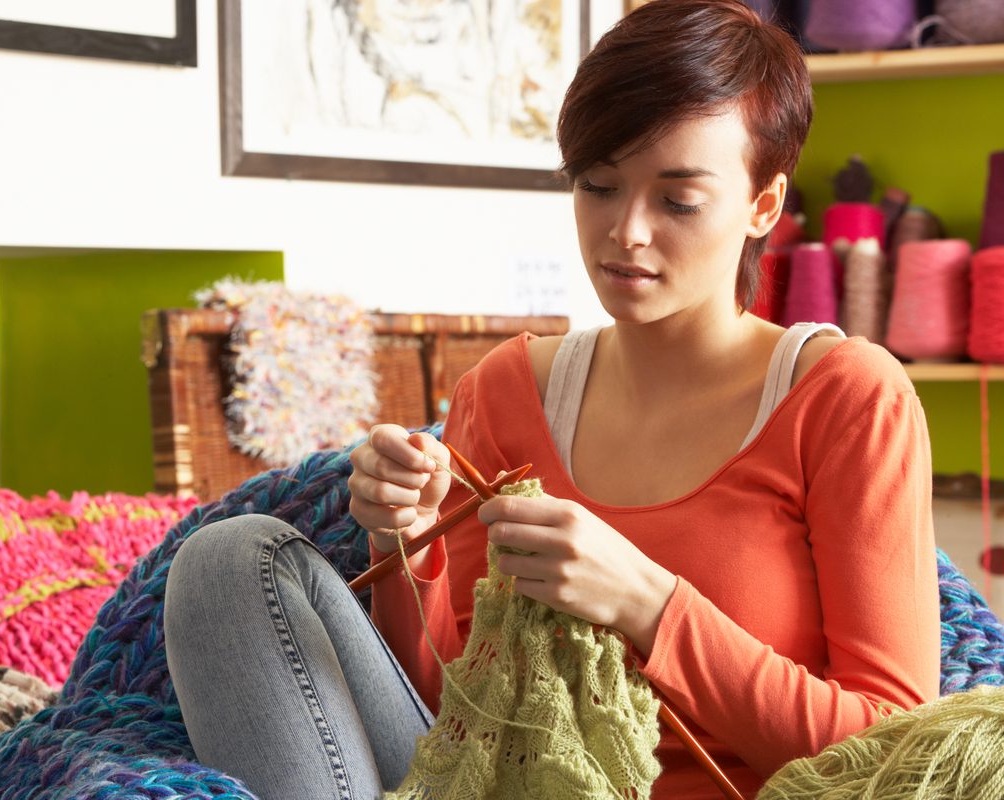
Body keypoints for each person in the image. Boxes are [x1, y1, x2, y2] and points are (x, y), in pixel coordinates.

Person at [164, 1, 941, 798]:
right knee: (230, 559)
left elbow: (896, 756)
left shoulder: (846, 397)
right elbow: (450, 713)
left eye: (677, 201)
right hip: (491, 782)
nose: (626, 231)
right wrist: (410, 542)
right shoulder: (508, 389)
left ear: (763, 206)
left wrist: (649, 604)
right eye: (600, 186)